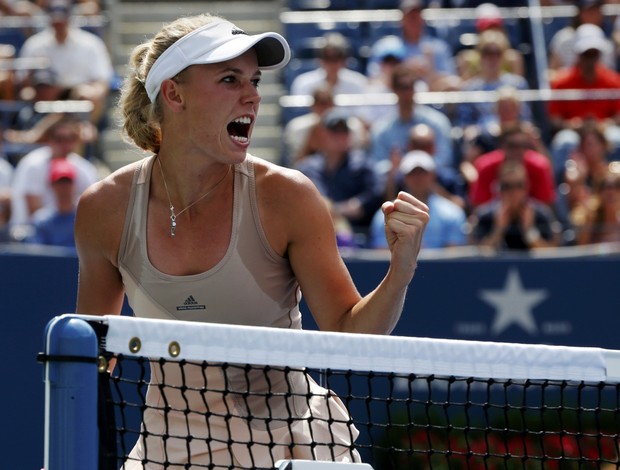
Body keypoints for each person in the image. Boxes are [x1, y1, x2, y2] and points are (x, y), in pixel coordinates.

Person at [73, 13, 429, 469]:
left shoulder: (287, 196)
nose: (253, 96)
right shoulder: (105, 209)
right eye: (229, 79)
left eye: (254, 80)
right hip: (170, 451)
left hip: (292, 449)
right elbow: (91, 354)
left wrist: (400, 274)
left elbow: (347, 334)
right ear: (174, 94)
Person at [16, 0, 114, 125]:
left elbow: (102, 81)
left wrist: (92, 92)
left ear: (70, 18)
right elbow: (23, 83)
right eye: (55, 21)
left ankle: (85, 131)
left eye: (62, 20)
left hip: (78, 98)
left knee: (89, 96)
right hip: (44, 100)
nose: (59, 25)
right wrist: (34, 92)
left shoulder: (91, 43)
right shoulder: (34, 44)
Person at [296, 108, 384, 232]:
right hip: (315, 232)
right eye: (335, 131)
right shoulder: (308, 167)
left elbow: (375, 193)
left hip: (357, 235)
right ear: (323, 134)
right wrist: (335, 210)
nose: (340, 136)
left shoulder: (363, 163)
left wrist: (355, 206)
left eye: (344, 131)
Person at [9, 113, 99, 230]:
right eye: (59, 138)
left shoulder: (85, 168)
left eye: (71, 138)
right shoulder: (33, 164)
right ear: (49, 139)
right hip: (31, 233)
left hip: (70, 234)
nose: (65, 144)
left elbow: (90, 209)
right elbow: (33, 213)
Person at [368, 150, 467, 250]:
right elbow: (381, 255)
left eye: (423, 173)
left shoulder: (453, 213)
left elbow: (453, 256)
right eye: (412, 173)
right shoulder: (386, 214)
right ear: (404, 178)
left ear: (433, 175)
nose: (418, 178)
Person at [369, 62, 455, 175]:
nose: (407, 93)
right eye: (402, 87)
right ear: (394, 90)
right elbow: (378, 165)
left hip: (433, 182)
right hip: (396, 185)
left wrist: (419, 169)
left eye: (410, 87)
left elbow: (444, 159)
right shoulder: (381, 129)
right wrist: (399, 167)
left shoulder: (437, 122)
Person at [469, 160, 561, 250]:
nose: (513, 192)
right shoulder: (485, 216)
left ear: (527, 187)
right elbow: (478, 256)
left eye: (519, 185)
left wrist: (529, 231)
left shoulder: (541, 214)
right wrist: (498, 230)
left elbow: (551, 255)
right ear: (499, 188)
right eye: (507, 186)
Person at [366, 0, 457, 92]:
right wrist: (404, 70)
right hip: (393, 102)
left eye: (417, 16)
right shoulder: (384, 46)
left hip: (431, 103)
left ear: (423, 19)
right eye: (410, 17)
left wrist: (430, 71)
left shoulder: (438, 47)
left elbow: (450, 81)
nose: (414, 21)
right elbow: (373, 80)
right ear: (402, 20)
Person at [468, 123, 556, 209]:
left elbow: (546, 206)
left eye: (523, 145)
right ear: (501, 146)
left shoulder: (539, 166)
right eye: (512, 146)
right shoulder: (485, 166)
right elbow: (479, 207)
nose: (519, 151)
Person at [289, 32, 368, 98]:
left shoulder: (358, 83)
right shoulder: (303, 83)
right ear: (319, 59)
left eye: (338, 57)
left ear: (345, 60)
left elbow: (363, 115)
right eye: (327, 58)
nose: (332, 63)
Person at [25, 156, 77, 248]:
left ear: (74, 184)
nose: (64, 187)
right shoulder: (41, 220)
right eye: (59, 183)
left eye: (67, 182)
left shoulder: (85, 217)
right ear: (51, 185)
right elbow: (38, 256)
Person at [576, 163, 620, 245]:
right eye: (605, 186)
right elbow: (582, 248)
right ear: (598, 192)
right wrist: (589, 222)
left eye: (617, 185)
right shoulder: (589, 219)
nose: (611, 192)